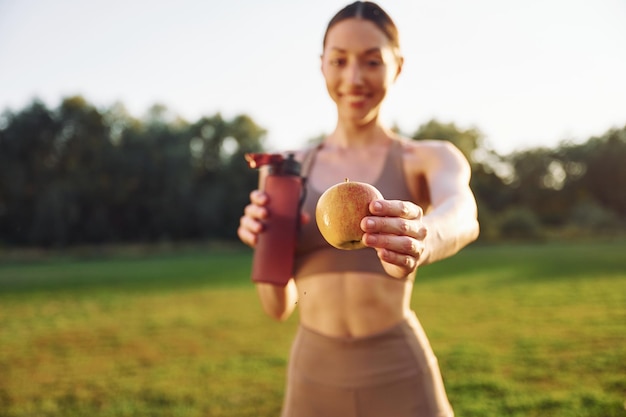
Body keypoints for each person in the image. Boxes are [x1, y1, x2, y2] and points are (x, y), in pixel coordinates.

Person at [237, 2, 480, 416]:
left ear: (397, 66)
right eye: (339, 61)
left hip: (400, 372)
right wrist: (267, 245)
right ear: (322, 66)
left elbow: (462, 212)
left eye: (371, 61)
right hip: (313, 379)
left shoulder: (427, 157)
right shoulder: (284, 169)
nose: (354, 78)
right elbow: (277, 308)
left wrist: (422, 236)